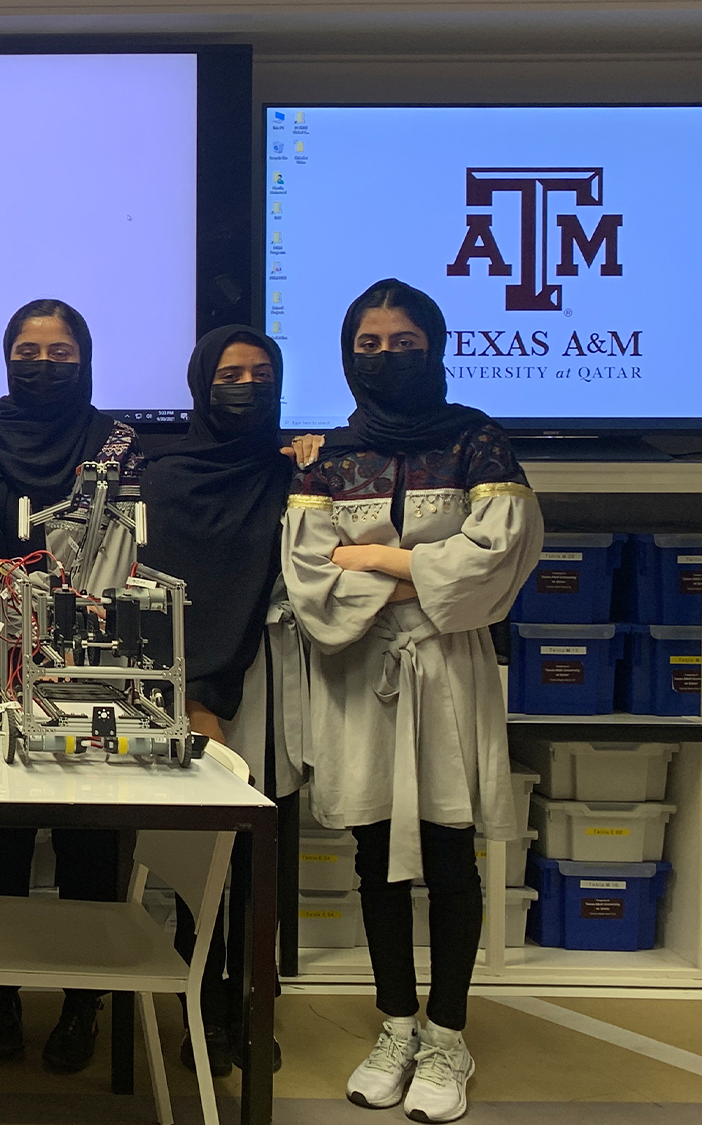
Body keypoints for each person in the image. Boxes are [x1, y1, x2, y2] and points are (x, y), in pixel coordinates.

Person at [284, 279, 541, 1124]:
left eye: (403, 342)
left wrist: (387, 565)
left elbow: (496, 558)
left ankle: (450, 1034)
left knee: (448, 852)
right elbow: (313, 575)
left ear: (434, 345)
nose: (385, 357)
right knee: (372, 855)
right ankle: (397, 1023)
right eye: (368, 345)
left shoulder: (477, 444)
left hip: (446, 669)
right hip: (362, 675)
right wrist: (428, 568)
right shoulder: (332, 459)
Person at [0, 299, 142, 1075]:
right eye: (28, 352)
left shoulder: (119, 442)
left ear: (85, 357)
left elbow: (124, 544)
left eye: (60, 352)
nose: (43, 364)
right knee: (1, 828)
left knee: (86, 833)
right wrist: (10, 595)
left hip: (92, 654)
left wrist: (60, 592)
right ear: (5, 360)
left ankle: (82, 1001)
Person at [139, 325, 302, 1078]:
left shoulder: (295, 471)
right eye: (229, 373)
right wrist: (197, 686)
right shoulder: (164, 473)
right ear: (201, 383)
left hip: (266, 676)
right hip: (183, 689)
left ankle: (250, 1007)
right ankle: (199, 1009)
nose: (245, 385)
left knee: (259, 862)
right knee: (197, 860)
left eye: (260, 372)